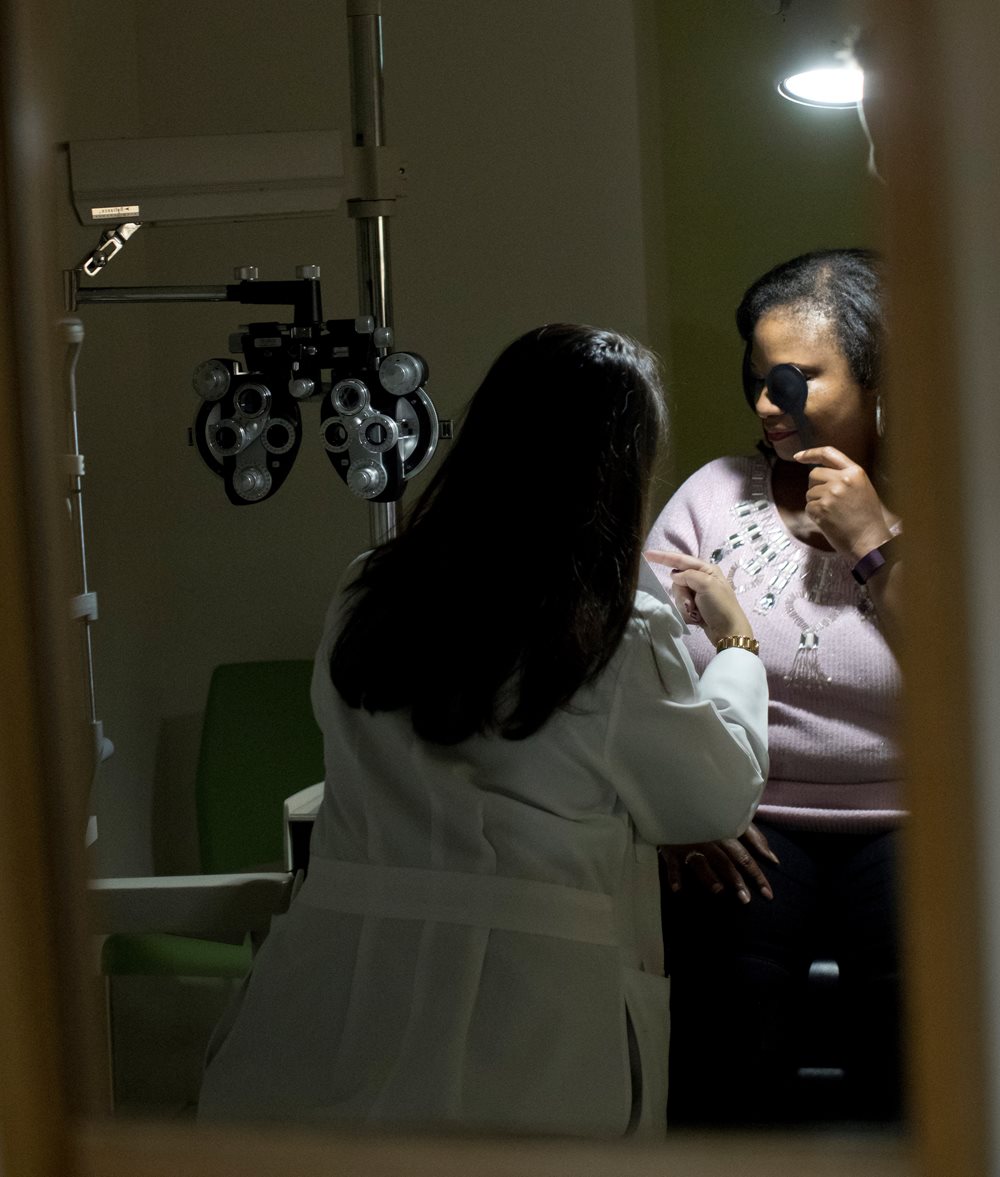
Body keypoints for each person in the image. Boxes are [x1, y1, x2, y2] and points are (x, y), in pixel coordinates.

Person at [197, 323, 768, 1139]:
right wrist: (737, 644)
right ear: (616, 469)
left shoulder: (370, 588)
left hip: (336, 987)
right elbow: (715, 796)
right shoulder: (614, 628)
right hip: (526, 1018)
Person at [646, 249, 903, 1127]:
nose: (766, 404)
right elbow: (642, 665)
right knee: (728, 1047)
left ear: (876, 379)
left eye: (792, 380)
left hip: (916, 819)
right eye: (757, 381)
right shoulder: (715, 495)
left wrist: (875, 543)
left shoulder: (957, 499)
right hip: (744, 819)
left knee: (915, 1048)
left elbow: (966, 666)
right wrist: (683, 804)